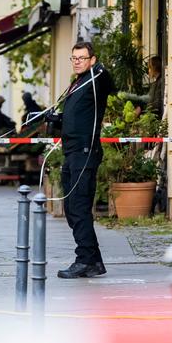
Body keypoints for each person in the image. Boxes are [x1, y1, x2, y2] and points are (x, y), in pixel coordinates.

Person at [56, 41, 115, 279]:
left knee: (78, 207)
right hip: (71, 151)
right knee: (71, 208)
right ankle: (93, 260)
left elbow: (108, 83)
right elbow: (77, 115)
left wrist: (99, 68)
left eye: (82, 58)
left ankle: (85, 260)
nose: (77, 61)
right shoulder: (77, 83)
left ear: (91, 59)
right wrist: (56, 118)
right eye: (74, 58)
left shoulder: (95, 79)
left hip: (85, 151)